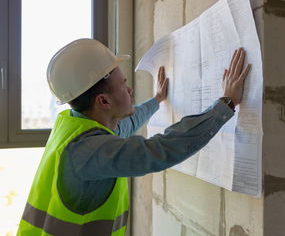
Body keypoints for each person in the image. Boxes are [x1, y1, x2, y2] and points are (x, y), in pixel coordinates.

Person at [17, 38, 251, 236]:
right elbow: (160, 150)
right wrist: (227, 103)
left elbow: (125, 124)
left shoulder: (75, 125)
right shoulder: (89, 151)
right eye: (123, 84)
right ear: (104, 101)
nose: (129, 90)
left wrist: (157, 100)